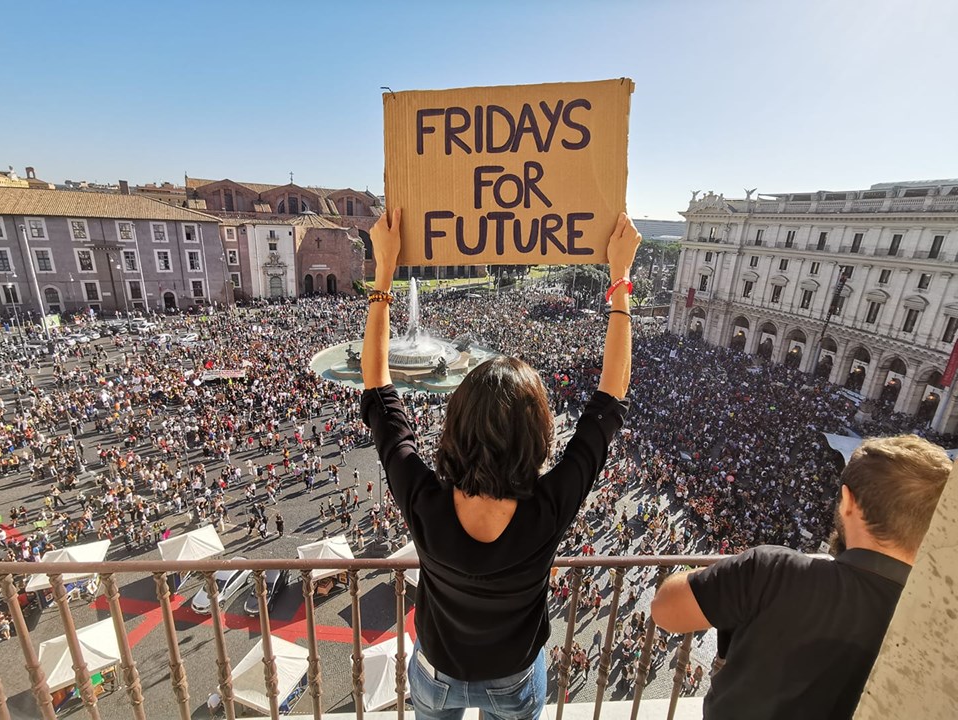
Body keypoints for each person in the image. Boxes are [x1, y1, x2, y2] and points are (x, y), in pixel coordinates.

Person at [360, 208, 640, 720]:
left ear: (456, 426)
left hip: (437, 672)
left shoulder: (424, 500)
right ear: (537, 436)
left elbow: (378, 390)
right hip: (512, 677)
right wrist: (619, 279)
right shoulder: (548, 508)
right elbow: (610, 401)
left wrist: (384, 270)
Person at [650, 434, 951, 720]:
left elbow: (666, 610)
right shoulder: (940, 631)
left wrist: (737, 571)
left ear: (847, 502)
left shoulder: (775, 571)